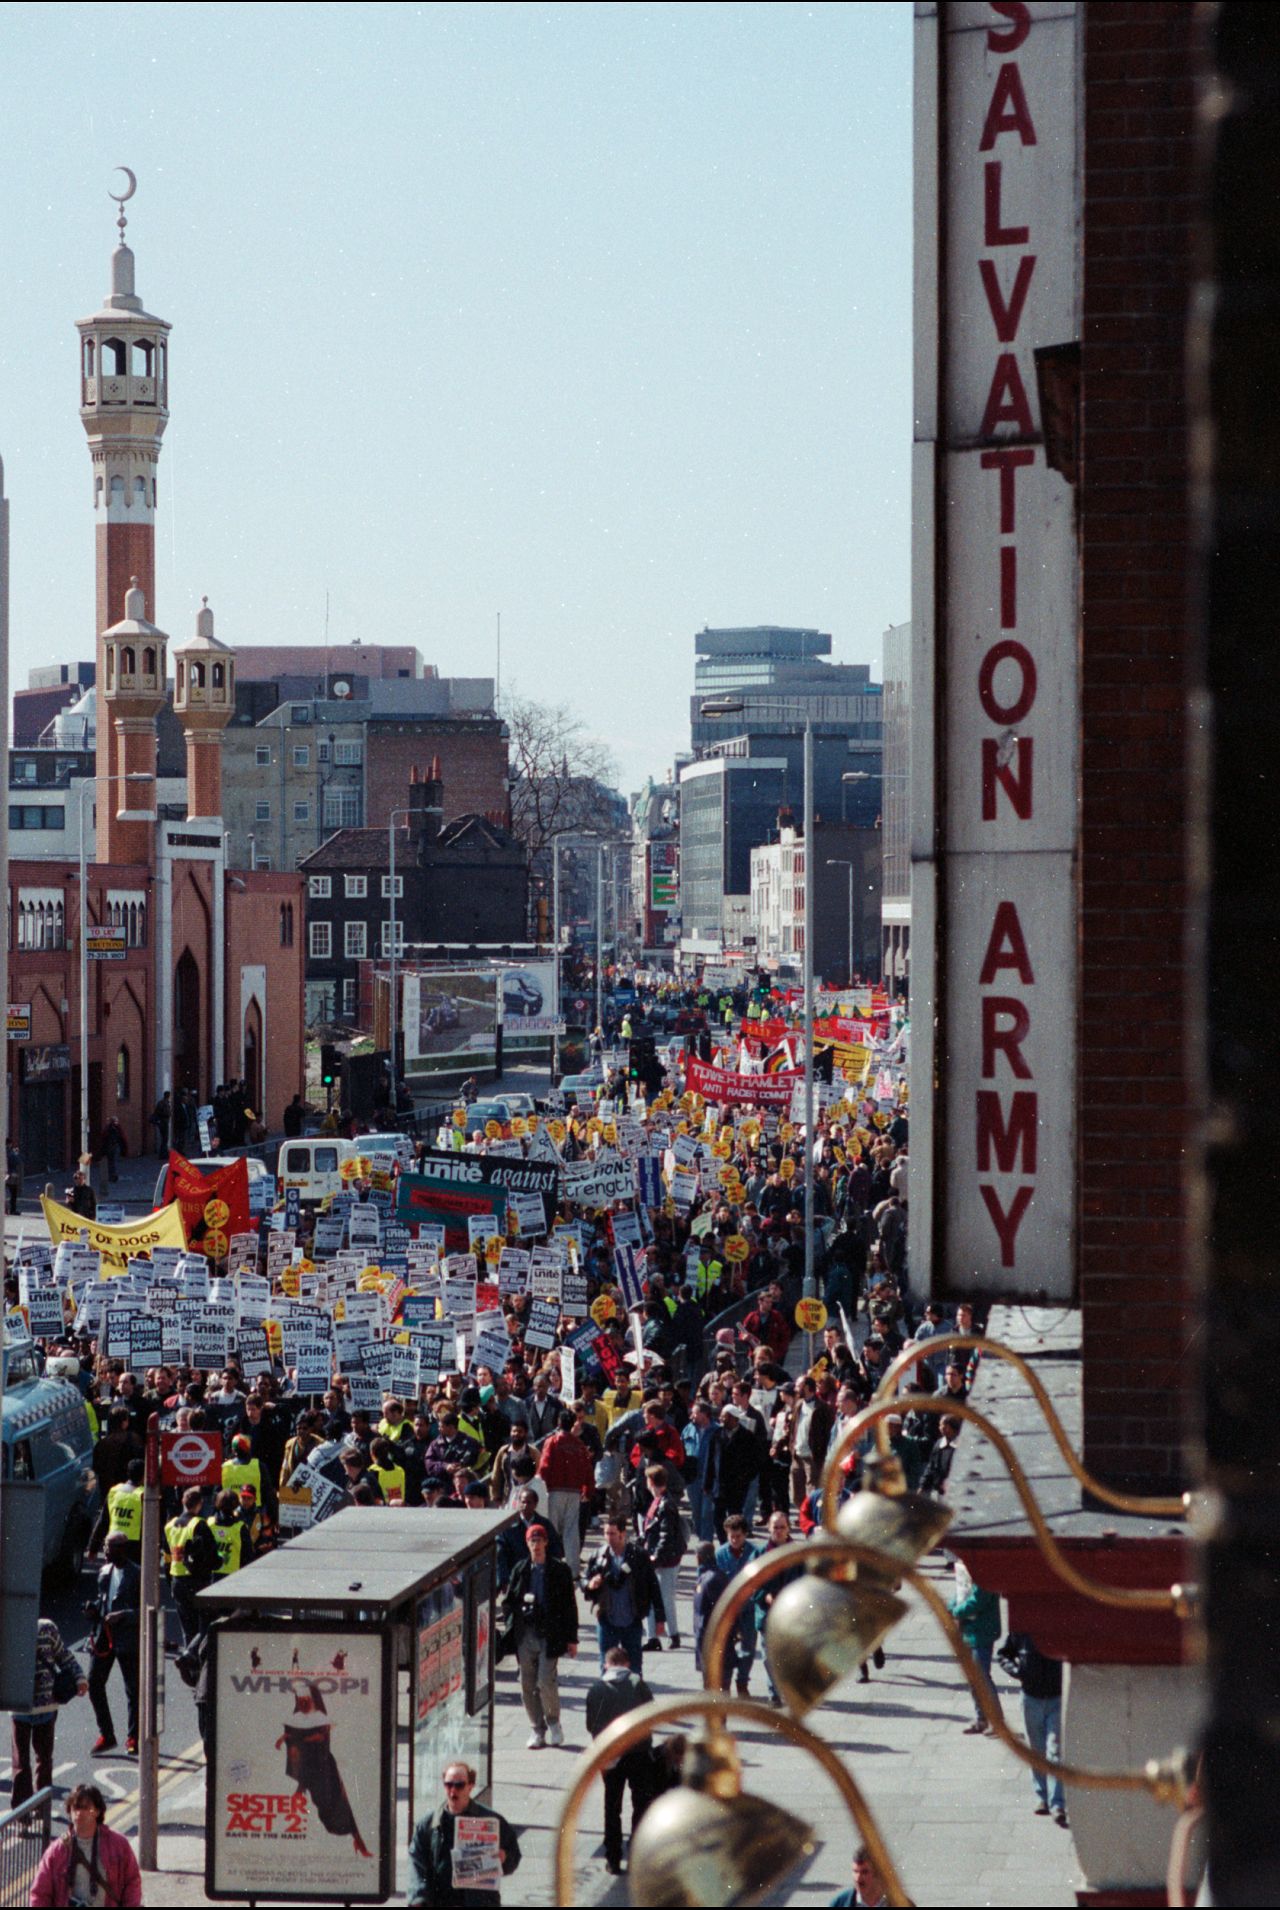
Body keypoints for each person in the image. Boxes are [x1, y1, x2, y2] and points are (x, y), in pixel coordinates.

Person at [503, 1523, 579, 1749]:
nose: (535, 1545)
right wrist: (515, 1621)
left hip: (550, 1632)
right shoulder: (520, 1569)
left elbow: (569, 1605)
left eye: (539, 1541)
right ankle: (537, 1728)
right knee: (527, 1682)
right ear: (527, 1544)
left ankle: (554, 1722)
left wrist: (572, 1638)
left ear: (546, 1542)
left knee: (546, 1679)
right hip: (525, 1633)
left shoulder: (559, 1570)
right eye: (531, 1541)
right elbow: (508, 1602)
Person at [408, 1761, 522, 1908]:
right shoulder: (427, 1824)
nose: (453, 1791)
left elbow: (514, 1854)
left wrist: (504, 1857)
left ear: (470, 1786)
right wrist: (418, 1898)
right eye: (448, 1785)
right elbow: (417, 1863)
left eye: (459, 1785)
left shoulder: (491, 1820)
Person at [585, 1645, 655, 1876]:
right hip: (638, 1752)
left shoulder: (596, 1688)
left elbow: (591, 1725)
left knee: (612, 1807)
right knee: (641, 1804)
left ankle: (612, 1858)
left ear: (606, 1664)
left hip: (610, 1755)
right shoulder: (638, 1683)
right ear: (627, 1663)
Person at [10, 1617, 86, 1807]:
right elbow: (64, 1656)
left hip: (29, 1706)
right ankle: (33, 1810)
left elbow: (63, 1656)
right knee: (39, 1761)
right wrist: (79, 1677)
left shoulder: (14, 1627)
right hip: (37, 1705)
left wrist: (79, 1677)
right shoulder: (44, 1627)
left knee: (25, 1763)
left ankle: (29, 1811)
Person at [30, 1784, 143, 1908]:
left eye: (85, 1808)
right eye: (75, 1807)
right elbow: (40, 1893)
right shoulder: (57, 1850)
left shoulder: (117, 1845)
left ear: (97, 1812)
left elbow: (132, 1882)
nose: (79, 1813)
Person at [997, 1631, 1068, 1827]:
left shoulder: (1059, 1629)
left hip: (1056, 1698)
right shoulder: (1021, 1632)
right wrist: (1017, 1671)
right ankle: (1042, 1797)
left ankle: (1057, 1804)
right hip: (1031, 1699)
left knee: (1055, 1750)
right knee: (1037, 1749)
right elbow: (1003, 1654)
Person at [86, 1535, 141, 1755]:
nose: (105, 1551)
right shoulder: (104, 1572)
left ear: (121, 1549)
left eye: (108, 1547)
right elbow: (103, 1602)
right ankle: (107, 1735)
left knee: (133, 1690)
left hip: (127, 1638)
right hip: (104, 1635)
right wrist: (93, 1610)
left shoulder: (137, 1574)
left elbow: (147, 1610)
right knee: (94, 1683)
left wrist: (123, 1615)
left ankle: (134, 1737)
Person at [582, 1516, 656, 1672]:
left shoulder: (638, 1555)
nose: (608, 1537)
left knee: (634, 1666)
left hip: (631, 1619)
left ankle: (634, 1688)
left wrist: (660, 1618)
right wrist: (590, 1584)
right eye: (606, 1533)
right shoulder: (598, 1555)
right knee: (606, 1664)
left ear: (623, 1534)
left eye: (612, 1533)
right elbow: (584, 1580)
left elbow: (652, 1585)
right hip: (607, 1618)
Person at [536, 1408, 594, 1579]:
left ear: (558, 1423)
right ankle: (573, 1570)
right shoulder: (579, 1444)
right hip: (574, 1492)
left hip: (554, 1491)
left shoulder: (552, 1441)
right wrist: (588, 1489)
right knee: (571, 1531)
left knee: (552, 1530)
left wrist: (540, 1487)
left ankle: (551, 1567)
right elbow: (588, 1469)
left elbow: (544, 1466)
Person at [950, 1559, 1003, 1734]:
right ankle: (982, 1718)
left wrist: (956, 1611)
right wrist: (951, 1606)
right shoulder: (969, 1568)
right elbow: (961, 1591)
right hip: (969, 1631)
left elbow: (977, 1601)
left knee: (981, 1677)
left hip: (982, 1633)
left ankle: (996, 1721)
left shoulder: (986, 1572)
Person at [638, 1464, 685, 1652]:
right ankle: (654, 1637)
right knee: (656, 1598)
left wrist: (655, 1557)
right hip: (659, 1558)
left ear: (651, 1481)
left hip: (664, 1560)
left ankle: (672, 1635)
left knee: (665, 1598)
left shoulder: (665, 1504)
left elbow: (666, 1534)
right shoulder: (660, 1501)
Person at [163, 1484, 218, 1644]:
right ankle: (196, 1655)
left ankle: (188, 1654)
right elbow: (211, 1554)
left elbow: (167, 1555)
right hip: (198, 1580)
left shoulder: (170, 1525)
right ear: (200, 1504)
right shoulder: (199, 1524)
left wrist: (170, 1581)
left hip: (177, 1579)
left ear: (183, 1501)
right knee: (204, 1627)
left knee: (187, 1628)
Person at [829, 1841, 901, 1908]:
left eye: (864, 1872)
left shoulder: (899, 1902)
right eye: (855, 1871)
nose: (858, 1878)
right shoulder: (839, 1903)